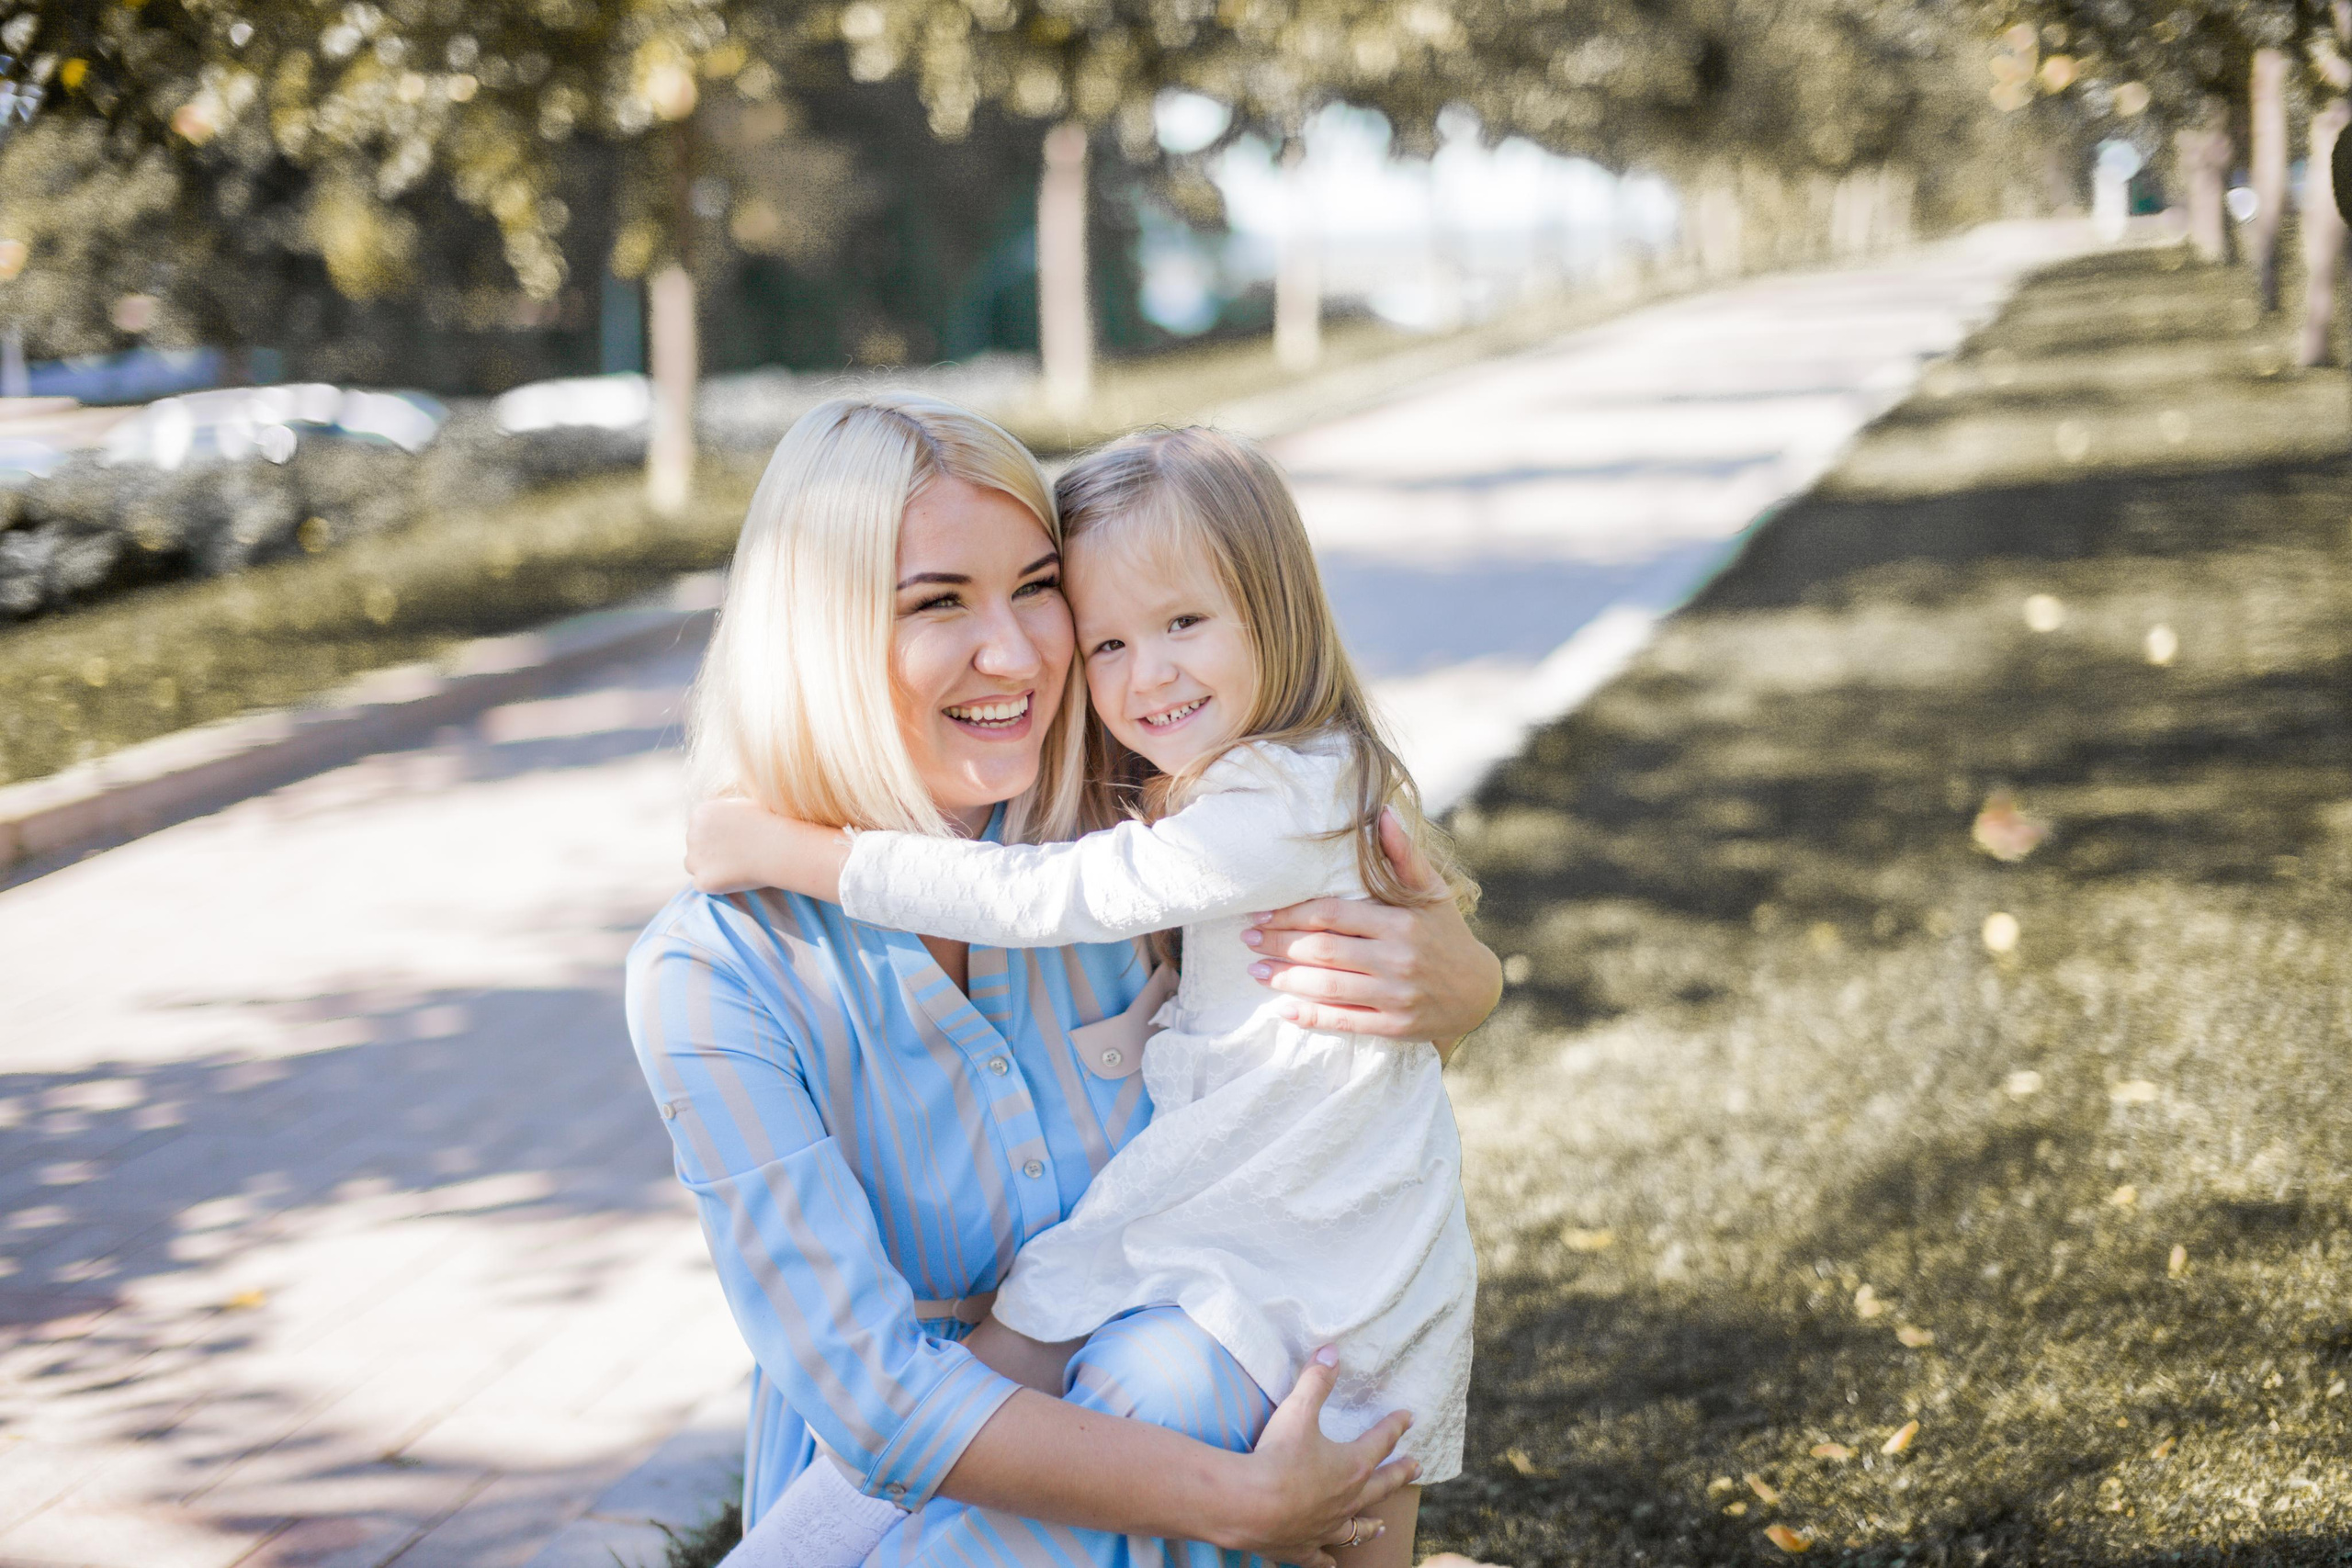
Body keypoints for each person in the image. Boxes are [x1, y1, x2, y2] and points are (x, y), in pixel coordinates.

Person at [625, 393, 1503, 1568]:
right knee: (1166, 1380)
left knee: (1175, 1366)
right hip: (924, 1471)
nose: (1023, 652)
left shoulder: (1125, 830)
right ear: (822, 632)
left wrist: (1461, 987)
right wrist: (1231, 1504)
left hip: (1179, 1372)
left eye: (1040, 589)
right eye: (940, 601)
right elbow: (885, 1405)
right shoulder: (714, 972)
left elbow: (1313, 1081)